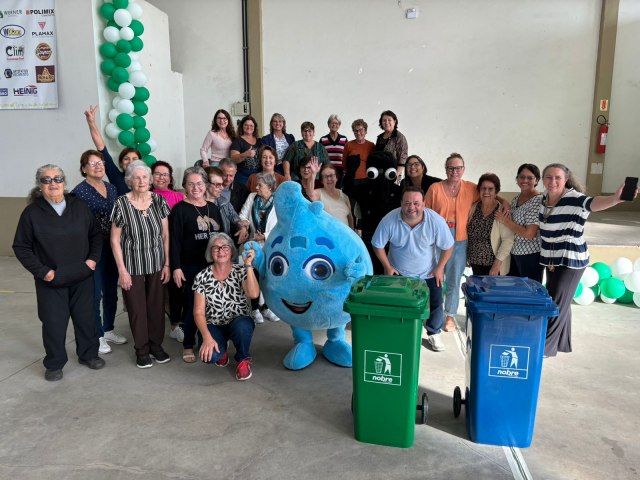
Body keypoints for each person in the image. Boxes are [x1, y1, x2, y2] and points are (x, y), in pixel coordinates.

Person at [13, 164, 105, 381]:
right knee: (54, 323)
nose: (53, 183)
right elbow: (21, 247)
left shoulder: (79, 207)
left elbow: (96, 235)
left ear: (64, 182)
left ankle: (88, 354)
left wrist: (92, 261)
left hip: (82, 275)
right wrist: (43, 272)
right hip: (52, 279)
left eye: (57, 179)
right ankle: (54, 363)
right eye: (46, 180)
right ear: (39, 185)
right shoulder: (32, 213)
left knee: (86, 319)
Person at [538, 163, 638, 357]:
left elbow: (594, 203)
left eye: (557, 178)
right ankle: (562, 343)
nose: (553, 181)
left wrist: (615, 199)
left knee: (556, 302)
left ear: (565, 180)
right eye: (549, 177)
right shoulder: (544, 199)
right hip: (551, 259)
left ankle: (546, 348)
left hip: (570, 260)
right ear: (543, 180)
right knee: (558, 299)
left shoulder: (575, 199)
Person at [372, 186, 454, 352]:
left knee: (437, 302)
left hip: (429, 272)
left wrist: (440, 268)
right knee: (395, 304)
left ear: (423, 204)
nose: (412, 207)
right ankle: (396, 329)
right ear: (401, 203)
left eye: (416, 203)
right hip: (399, 272)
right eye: (407, 203)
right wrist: (387, 266)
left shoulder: (435, 220)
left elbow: (448, 246)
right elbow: (377, 244)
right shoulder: (390, 219)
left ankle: (434, 332)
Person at [110, 161, 171, 369]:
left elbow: (165, 235)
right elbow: (115, 240)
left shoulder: (159, 201)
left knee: (156, 307)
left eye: (145, 177)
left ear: (150, 179)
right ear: (129, 181)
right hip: (132, 266)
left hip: (156, 264)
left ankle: (156, 346)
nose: (141, 181)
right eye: (136, 177)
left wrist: (167, 264)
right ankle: (142, 350)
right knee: (137, 310)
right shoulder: (121, 203)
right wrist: (122, 270)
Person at [71, 150, 127, 355]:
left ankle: (108, 329)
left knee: (111, 291)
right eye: (93, 163)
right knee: (95, 293)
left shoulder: (111, 188)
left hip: (113, 246)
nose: (98, 166)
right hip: (91, 248)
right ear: (84, 168)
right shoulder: (79, 192)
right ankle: (97, 334)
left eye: (101, 162)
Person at [169, 167, 223, 364]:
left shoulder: (213, 208)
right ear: (184, 186)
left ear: (205, 185)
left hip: (213, 267)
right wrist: (176, 267)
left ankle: (207, 340)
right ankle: (187, 345)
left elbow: (222, 238)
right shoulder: (179, 210)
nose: (196, 188)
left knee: (213, 307)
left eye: (199, 183)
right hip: (191, 267)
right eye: (191, 184)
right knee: (194, 308)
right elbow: (173, 241)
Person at [193, 233, 260, 381]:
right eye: (215, 248)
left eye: (225, 247)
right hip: (214, 324)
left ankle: (243, 359)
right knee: (210, 356)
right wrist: (207, 337)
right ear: (210, 252)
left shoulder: (240, 271)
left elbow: (254, 294)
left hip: (238, 321)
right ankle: (221, 350)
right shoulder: (202, 277)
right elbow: (198, 312)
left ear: (231, 251)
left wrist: (248, 265)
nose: (221, 251)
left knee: (243, 326)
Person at [424, 153, 479, 332]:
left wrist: (504, 202)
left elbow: (489, 194)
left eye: (458, 168)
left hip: (460, 239)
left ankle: (450, 316)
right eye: (450, 168)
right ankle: (434, 314)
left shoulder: (472, 188)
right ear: (445, 169)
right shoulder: (435, 188)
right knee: (435, 278)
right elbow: (426, 213)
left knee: (454, 280)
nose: (454, 171)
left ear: (463, 169)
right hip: (437, 239)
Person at [239, 173, 280, 323]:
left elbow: (283, 224)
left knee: (269, 278)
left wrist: (265, 235)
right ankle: (255, 309)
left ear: (270, 187)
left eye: (260, 186)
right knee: (254, 275)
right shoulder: (252, 197)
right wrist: (244, 226)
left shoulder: (278, 201)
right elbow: (243, 215)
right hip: (253, 244)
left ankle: (267, 308)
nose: (256, 188)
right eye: (256, 185)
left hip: (271, 244)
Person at [495, 163, 544, 283]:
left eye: (530, 177)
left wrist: (505, 221)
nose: (525, 180)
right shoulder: (517, 198)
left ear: (536, 180)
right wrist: (503, 201)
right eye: (521, 177)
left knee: (530, 291)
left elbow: (529, 234)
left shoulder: (538, 201)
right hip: (515, 253)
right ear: (517, 179)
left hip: (530, 256)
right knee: (516, 291)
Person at [84, 105, 141, 196]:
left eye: (134, 159)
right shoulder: (116, 177)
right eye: (126, 159)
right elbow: (101, 148)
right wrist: (91, 123)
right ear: (121, 163)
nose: (130, 162)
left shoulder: (148, 179)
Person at [466, 173, 514, 275]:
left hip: (494, 267)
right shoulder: (473, 208)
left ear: (496, 191)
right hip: (475, 263)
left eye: (490, 189)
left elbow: (508, 240)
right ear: (479, 190)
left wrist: (496, 266)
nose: (486, 192)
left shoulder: (502, 211)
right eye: (483, 188)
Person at [204, 166, 251, 241]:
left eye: (221, 184)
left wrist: (243, 228)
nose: (222, 188)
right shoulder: (195, 205)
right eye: (218, 185)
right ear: (206, 184)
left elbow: (236, 220)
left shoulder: (224, 202)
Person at [305, 159, 354, 228]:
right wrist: (313, 174)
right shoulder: (319, 193)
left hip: (344, 236)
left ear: (337, 178)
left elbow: (350, 218)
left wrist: (353, 235)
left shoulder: (344, 196)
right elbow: (310, 193)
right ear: (322, 181)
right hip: (327, 236)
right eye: (325, 176)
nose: (329, 179)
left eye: (331, 175)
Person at [374, 110, 408, 181]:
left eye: (389, 120)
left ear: (394, 122)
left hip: (393, 174)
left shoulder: (399, 137)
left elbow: (402, 160)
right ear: (381, 122)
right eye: (384, 120)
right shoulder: (379, 137)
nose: (386, 122)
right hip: (379, 174)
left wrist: (395, 176)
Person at [230, 115, 262, 185]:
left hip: (258, 176)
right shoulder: (237, 141)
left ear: (254, 128)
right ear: (242, 126)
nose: (249, 127)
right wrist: (246, 154)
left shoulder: (260, 141)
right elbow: (233, 159)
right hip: (243, 176)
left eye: (251, 125)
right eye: (246, 125)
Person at [319, 114, 348, 182]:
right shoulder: (323, 139)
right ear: (328, 124)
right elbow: (320, 157)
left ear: (339, 125)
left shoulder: (344, 139)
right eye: (332, 123)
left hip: (340, 172)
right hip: (327, 172)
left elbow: (346, 156)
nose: (334, 125)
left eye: (336, 123)